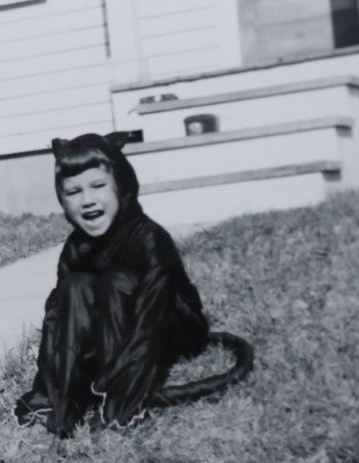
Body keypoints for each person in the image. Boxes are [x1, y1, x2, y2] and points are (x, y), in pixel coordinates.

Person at [15, 133, 252, 436]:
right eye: (74, 192)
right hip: (115, 330)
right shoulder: (74, 248)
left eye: (98, 186)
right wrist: (55, 392)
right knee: (75, 285)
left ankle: (117, 388)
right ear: (62, 199)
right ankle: (76, 396)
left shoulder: (149, 238)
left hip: (169, 326)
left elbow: (152, 321)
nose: (87, 201)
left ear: (121, 185)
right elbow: (59, 321)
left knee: (117, 281)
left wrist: (124, 397)